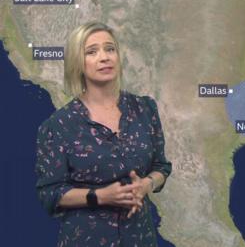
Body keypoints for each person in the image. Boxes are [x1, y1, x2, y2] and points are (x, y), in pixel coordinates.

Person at [34, 21, 172, 247]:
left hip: (141, 238)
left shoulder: (145, 109)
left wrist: (148, 184)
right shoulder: (58, 126)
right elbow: (49, 194)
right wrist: (99, 196)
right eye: (92, 52)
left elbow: (161, 166)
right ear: (78, 63)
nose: (104, 57)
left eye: (110, 49)